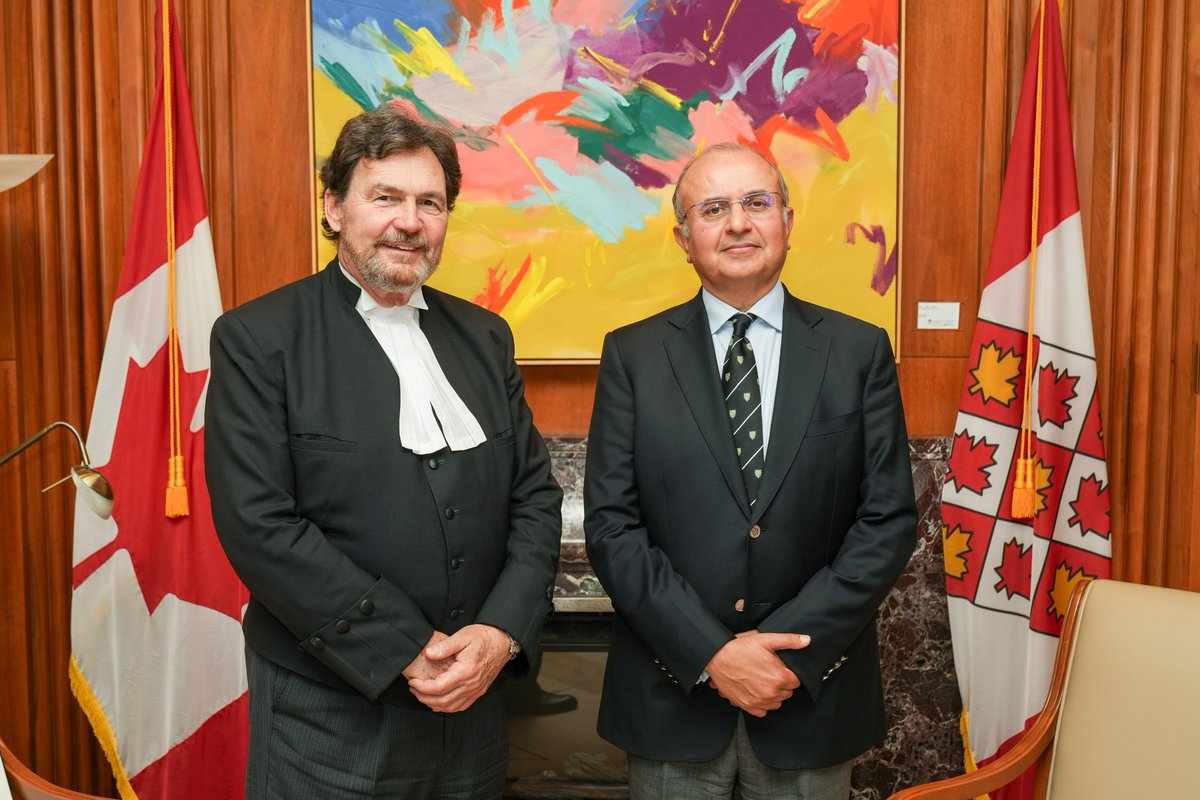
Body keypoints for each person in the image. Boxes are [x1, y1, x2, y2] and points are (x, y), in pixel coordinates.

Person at [206, 106, 563, 799]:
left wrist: (498, 634)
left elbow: (534, 500)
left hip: (475, 701)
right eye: (386, 198)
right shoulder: (259, 339)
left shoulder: (485, 338)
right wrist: (405, 645)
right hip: (330, 711)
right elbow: (260, 525)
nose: (410, 221)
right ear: (335, 206)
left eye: (430, 203)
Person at [583, 143, 917, 800]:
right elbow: (613, 527)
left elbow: (886, 520)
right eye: (713, 208)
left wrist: (789, 654)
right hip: (672, 698)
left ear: (787, 222)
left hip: (811, 697)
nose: (737, 223)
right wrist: (712, 653)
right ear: (684, 237)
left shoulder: (858, 352)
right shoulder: (633, 357)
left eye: (755, 203)